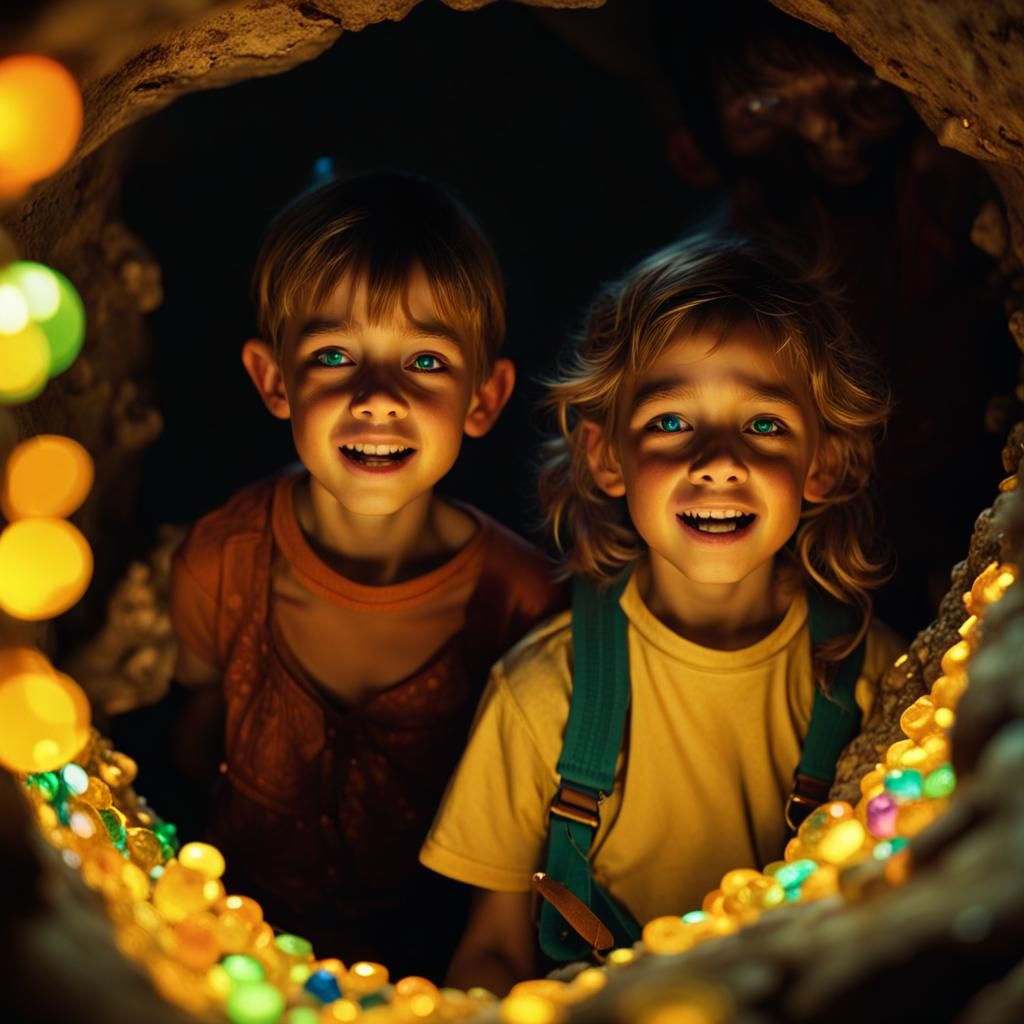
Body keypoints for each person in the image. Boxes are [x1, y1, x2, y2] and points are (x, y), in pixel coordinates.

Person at [420, 230, 906, 992]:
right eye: (672, 422)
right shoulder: (543, 693)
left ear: (825, 461)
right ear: (604, 456)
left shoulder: (883, 684)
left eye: (764, 424)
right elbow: (493, 953)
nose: (718, 461)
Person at [166, 173, 567, 979]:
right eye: (334, 356)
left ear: (484, 398)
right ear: (273, 379)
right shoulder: (222, 558)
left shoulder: (522, 603)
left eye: (425, 360)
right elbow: (189, 749)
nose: (378, 397)